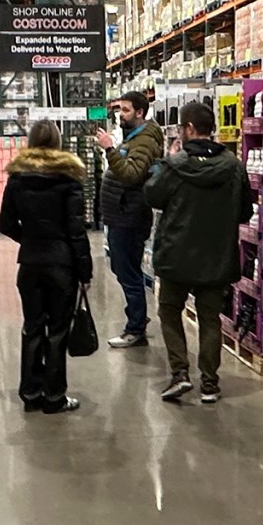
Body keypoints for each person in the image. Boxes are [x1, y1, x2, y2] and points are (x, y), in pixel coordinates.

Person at [145, 100, 252, 404]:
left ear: (188, 129)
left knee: (169, 311)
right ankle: (210, 383)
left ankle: (180, 374)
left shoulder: (175, 165)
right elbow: (244, 212)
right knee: (209, 318)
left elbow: (151, 195)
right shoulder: (233, 166)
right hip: (216, 256)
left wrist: (167, 161)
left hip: (176, 254)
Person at [0, 120, 92, 414]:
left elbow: (5, 223)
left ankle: (30, 392)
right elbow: (77, 231)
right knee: (58, 330)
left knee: (32, 327)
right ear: (58, 143)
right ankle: (55, 397)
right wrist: (84, 272)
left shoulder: (17, 178)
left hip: (30, 264)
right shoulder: (69, 178)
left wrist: (31, 240)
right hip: (61, 265)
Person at [95, 90, 162, 349]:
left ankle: (134, 328)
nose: (119, 114)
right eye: (118, 110)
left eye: (124, 110)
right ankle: (137, 318)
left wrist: (110, 149)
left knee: (128, 273)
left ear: (140, 112)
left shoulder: (144, 140)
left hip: (129, 216)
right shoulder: (135, 137)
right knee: (123, 270)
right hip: (122, 215)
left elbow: (132, 174)